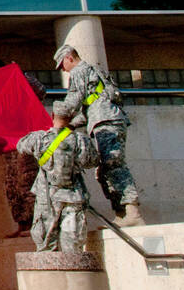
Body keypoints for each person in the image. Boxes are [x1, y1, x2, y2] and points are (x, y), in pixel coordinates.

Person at [56, 44, 144, 226]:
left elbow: (73, 100)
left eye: (62, 65)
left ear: (69, 58)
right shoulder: (94, 71)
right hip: (107, 120)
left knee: (113, 165)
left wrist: (58, 119)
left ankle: (132, 212)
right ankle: (122, 213)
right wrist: (71, 125)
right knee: (104, 169)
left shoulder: (79, 71)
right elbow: (92, 106)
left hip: (106, 123)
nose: (63, 70)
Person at [17, 100, 101, 252]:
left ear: (53, 115)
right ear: (71, 118)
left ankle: (50, 275)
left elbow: (21, 146)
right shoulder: (81, 140)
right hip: (73, 197)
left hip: (48, 198)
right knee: (73, 246)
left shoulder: (39, 139)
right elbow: (92, 161)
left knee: (46, 246)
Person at [0, 61, 45, 237]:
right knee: (12, 186)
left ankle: (35, 224)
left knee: (28, 182)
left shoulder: (21, 80)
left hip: (26, 140)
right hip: (9, 143)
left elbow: (41, 90)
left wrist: (20, 74)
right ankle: (22, 224)